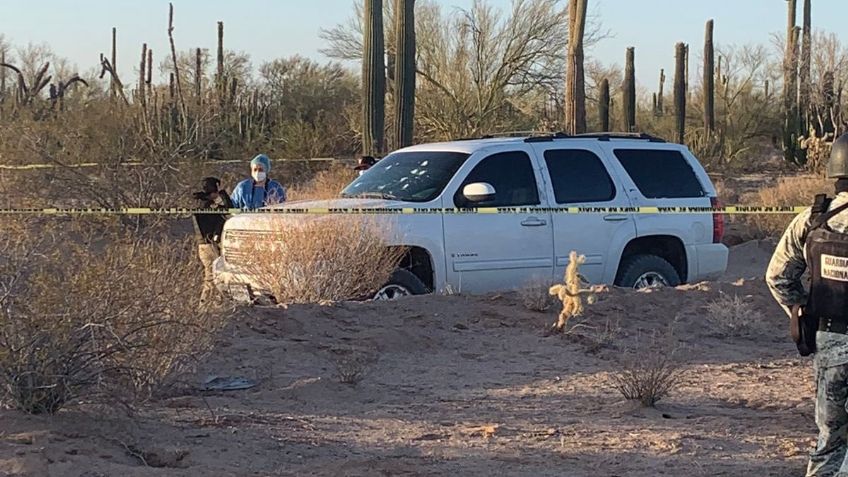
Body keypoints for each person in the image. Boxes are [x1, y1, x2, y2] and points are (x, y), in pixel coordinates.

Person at [766, 132, 848, 477]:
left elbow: (778, 276)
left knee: (829, 442)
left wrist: (803, 313)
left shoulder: (812, 219)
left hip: (830, 344)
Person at [192, 176, 234, 304]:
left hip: (203, 244)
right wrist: (221, 194)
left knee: (211, 276)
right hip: (210, 244)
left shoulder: (200, 203)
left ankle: (210, 304)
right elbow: (229, 208)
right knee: (214, 277)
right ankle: (206, 305)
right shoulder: (208, 204)